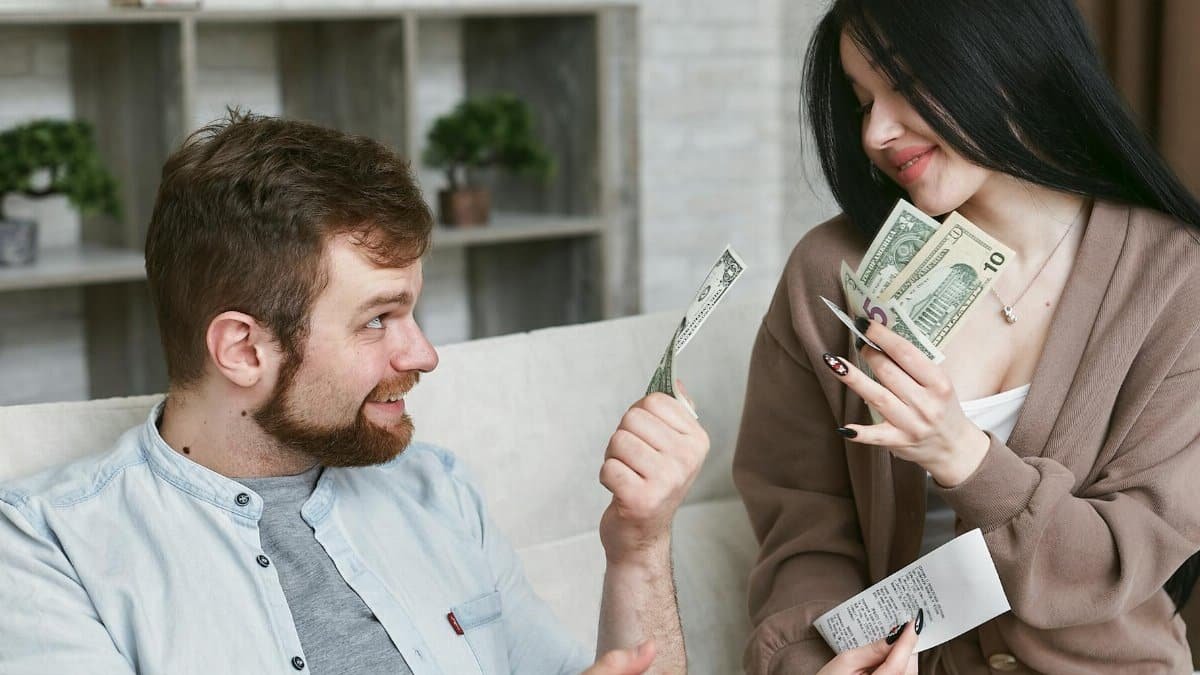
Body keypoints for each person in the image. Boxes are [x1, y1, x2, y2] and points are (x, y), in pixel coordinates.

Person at [0, 113, 709, 675]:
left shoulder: (436, 491)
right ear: (243, 349)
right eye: (377, 319)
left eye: (412, 311)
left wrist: (639, 544)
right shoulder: (49, 549)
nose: (423, 354)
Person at [734, 0, 1200, 673]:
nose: (875, 133)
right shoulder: (830, 274)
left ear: (1008, 57)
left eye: (903, 82)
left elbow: (1119, 558)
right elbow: (803, 531)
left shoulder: (1176, 281)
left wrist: (964, 458)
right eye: (862, 102)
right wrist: (815, 661)